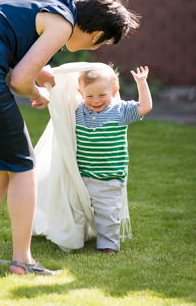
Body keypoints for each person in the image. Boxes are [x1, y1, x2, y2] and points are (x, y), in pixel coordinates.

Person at [0, 0, 139, 275]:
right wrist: (39, 92)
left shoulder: (43, 3)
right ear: (97, 35)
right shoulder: (63, 23)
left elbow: (2, 39)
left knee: (2, 166)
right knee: (23, 165)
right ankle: (23, 261)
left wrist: (38, 71)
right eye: (102, 43)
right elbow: (19, 81)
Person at [75, 64, 152, 253]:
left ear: (115, 91)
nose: (95, 101)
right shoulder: (78, 112)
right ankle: (72, 240)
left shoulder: (120, 111)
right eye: (89, 96)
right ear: (80, 93)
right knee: (76, 213)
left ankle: (108, 243)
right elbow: (58, 108)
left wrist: (142, 83)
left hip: (109, 177)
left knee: (108, 213)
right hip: (81, 175)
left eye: (102, 95)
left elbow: (145, 107)